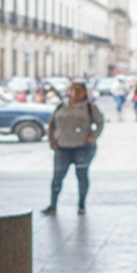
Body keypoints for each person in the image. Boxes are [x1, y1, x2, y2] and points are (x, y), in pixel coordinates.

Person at [42, 80, 104, 216]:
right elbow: (51, 124)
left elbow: (100, 122)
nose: (75, 93)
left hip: (82, 147)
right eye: (73, 90)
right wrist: (52, 140)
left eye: (78, 90)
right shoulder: (61, 107)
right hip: (63, 147)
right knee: (57, 176)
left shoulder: (89, 107)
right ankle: (53, 205)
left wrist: (93, 136)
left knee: (82, 175)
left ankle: (81, 204)